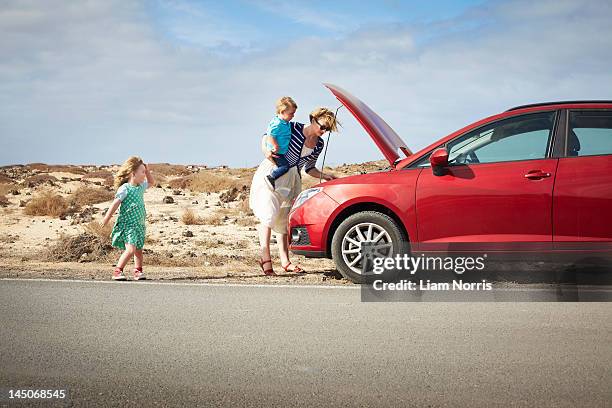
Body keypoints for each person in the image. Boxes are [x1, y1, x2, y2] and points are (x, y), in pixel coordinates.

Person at [249, 107, 339, 276]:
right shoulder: (293, 128)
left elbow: (309, 168)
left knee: (283, 221)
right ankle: (265, 258)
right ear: (313, 119)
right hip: (273, 172)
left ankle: (285, 261)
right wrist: (266, 150)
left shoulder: (319, 144)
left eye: (328, 129)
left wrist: (325, 176)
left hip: (292, 180)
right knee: (268, 215)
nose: (324, 131)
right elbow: (267, 135)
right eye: (323, 126)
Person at [101, 156, 154, 281]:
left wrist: (147, 170)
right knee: (130, 250)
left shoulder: (140, 187)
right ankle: (118, 271)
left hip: (139, 225)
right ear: (133, 173)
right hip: (128, 225)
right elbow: (115, 204)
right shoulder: (125, 188)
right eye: (142, 172)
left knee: (139, 251)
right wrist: (106, 218)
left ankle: (138, 271)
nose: (144, 175)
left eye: (144, 172)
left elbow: (152, 182)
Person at [263, 96, 298, 190]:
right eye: (291, 113)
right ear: (282, 112)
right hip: (276, 152)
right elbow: (270, 135)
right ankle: (271, 177)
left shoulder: (284, 122)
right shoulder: (277, 123)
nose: (293, 116)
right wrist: (274, 145)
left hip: (281, 152)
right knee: (285, 167)